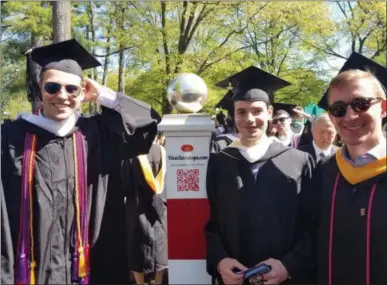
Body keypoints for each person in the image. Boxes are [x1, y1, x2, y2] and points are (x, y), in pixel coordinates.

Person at [1, 39, 160, 284]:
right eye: (52, 87)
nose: (62, 95)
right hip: (30, 272)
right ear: (39, 88)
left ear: (83, 91)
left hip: (89, 270)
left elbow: (147, 125)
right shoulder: (10, 138)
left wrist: (104, 96)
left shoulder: (97, 134)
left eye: (71, 88)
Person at [205, 67, 316, 285]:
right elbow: (213, 222)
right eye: (241, 112)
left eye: (257, 111)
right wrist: (220, 261)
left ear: (269, 112)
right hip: (235, 278)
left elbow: (313, 225)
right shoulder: (220, 162)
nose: (250, 119)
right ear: (233, 115)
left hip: (285, 278)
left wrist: (289, 266)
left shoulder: (299, 161)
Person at [314, 52, 387, 284]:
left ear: (383, 107)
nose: (350, 115)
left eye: (361, 103)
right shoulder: (323, 173)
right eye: (338, 108)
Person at [126, 142, 168, 285]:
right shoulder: (161, 151)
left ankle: (140, 282)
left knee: (137, 246)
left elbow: (126, 184)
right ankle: (158, 280)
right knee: (161, 243)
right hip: (160, 205)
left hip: (138, 208)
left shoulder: (130, 153)